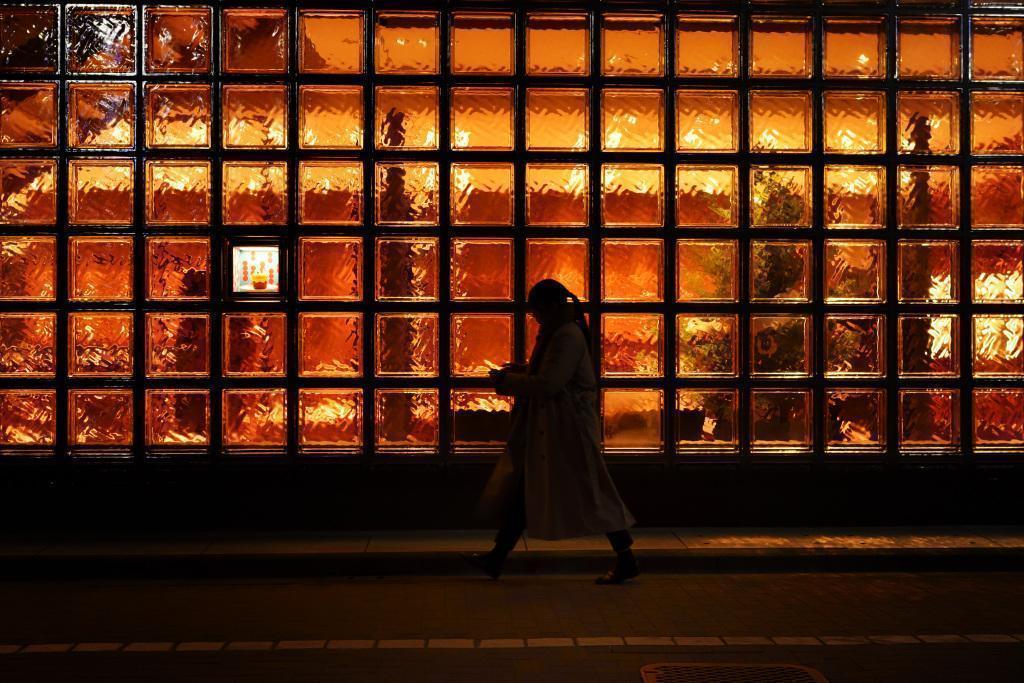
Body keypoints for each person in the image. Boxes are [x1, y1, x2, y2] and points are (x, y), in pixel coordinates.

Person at [463, 279, 639, 584]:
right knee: (541, 490)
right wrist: (521, 371)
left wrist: (508, 382)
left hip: (567, 431)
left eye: (538, 311)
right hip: (560, 429)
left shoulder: (565, 336)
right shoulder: (561, 332)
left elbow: (551, 383)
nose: (536, 318)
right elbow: (552, 376)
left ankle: (626, 558)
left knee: (590, 491)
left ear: (551, 307)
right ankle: (496, 557)